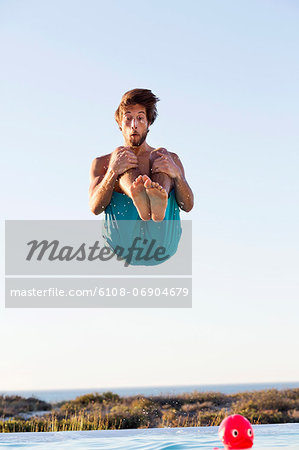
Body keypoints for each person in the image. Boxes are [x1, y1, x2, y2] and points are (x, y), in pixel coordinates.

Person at [89, 88, 193, 265]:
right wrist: (113, 171)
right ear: (119, 123)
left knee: (162, 156)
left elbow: (188, 205)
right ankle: (140, 198)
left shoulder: (170, 159)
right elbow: (95, 207)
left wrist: (176, 175)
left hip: (162, 243)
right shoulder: (103, 162)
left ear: (149, 123)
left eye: (140, 118)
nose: (134, 125)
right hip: (123, 243)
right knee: (121, 155)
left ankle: (156, 207)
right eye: (128, 118)